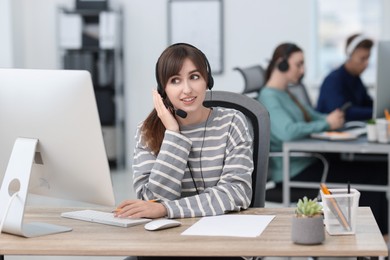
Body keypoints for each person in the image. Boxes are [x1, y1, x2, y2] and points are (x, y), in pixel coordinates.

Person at [116, 43, 253, 256]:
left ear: (207, 80)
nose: (187, 89)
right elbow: (151, 201)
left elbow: (236, 193)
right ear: (163, 90)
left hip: (222, 244)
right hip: (165, 246)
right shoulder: (147, 131)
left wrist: (167, 209)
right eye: (175, 80)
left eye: (194, 77)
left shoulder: (233, 122)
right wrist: (173, 135)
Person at [259, 42, 388, 235]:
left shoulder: (286, 93)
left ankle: (381, 234)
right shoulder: (269, 96)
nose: (302, 70)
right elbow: (287, 131)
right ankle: (377, 236)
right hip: (294, 172)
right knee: (372, 175)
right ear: (282, 63)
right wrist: (327, 124)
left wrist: (331, 118)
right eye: (299, 64)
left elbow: (311, 115)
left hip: (311, 163)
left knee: (377, 168)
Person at [316, 34, 374, 121]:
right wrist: (374, 112)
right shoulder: (333, 80)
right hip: (330, 132)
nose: (366, 63)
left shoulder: (356, 78)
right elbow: (343, 113)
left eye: (368, 58)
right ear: (349, 55)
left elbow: (367, 103)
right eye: (362, 59)